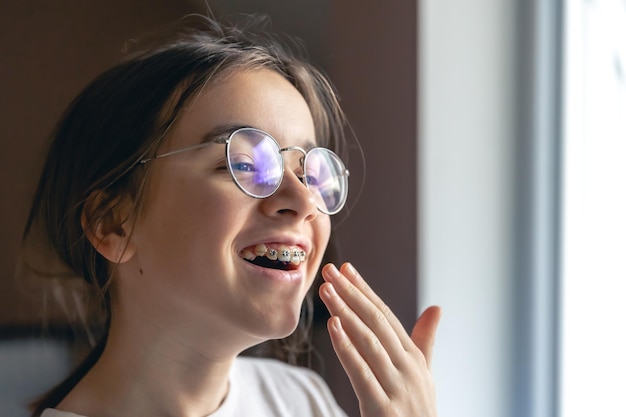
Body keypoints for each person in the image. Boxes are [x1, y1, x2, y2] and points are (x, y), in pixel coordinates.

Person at [21, 13, 442, 417]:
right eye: (243, 164)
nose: (303, 200)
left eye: (310, 173)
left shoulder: (300, 400)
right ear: (112, 224)